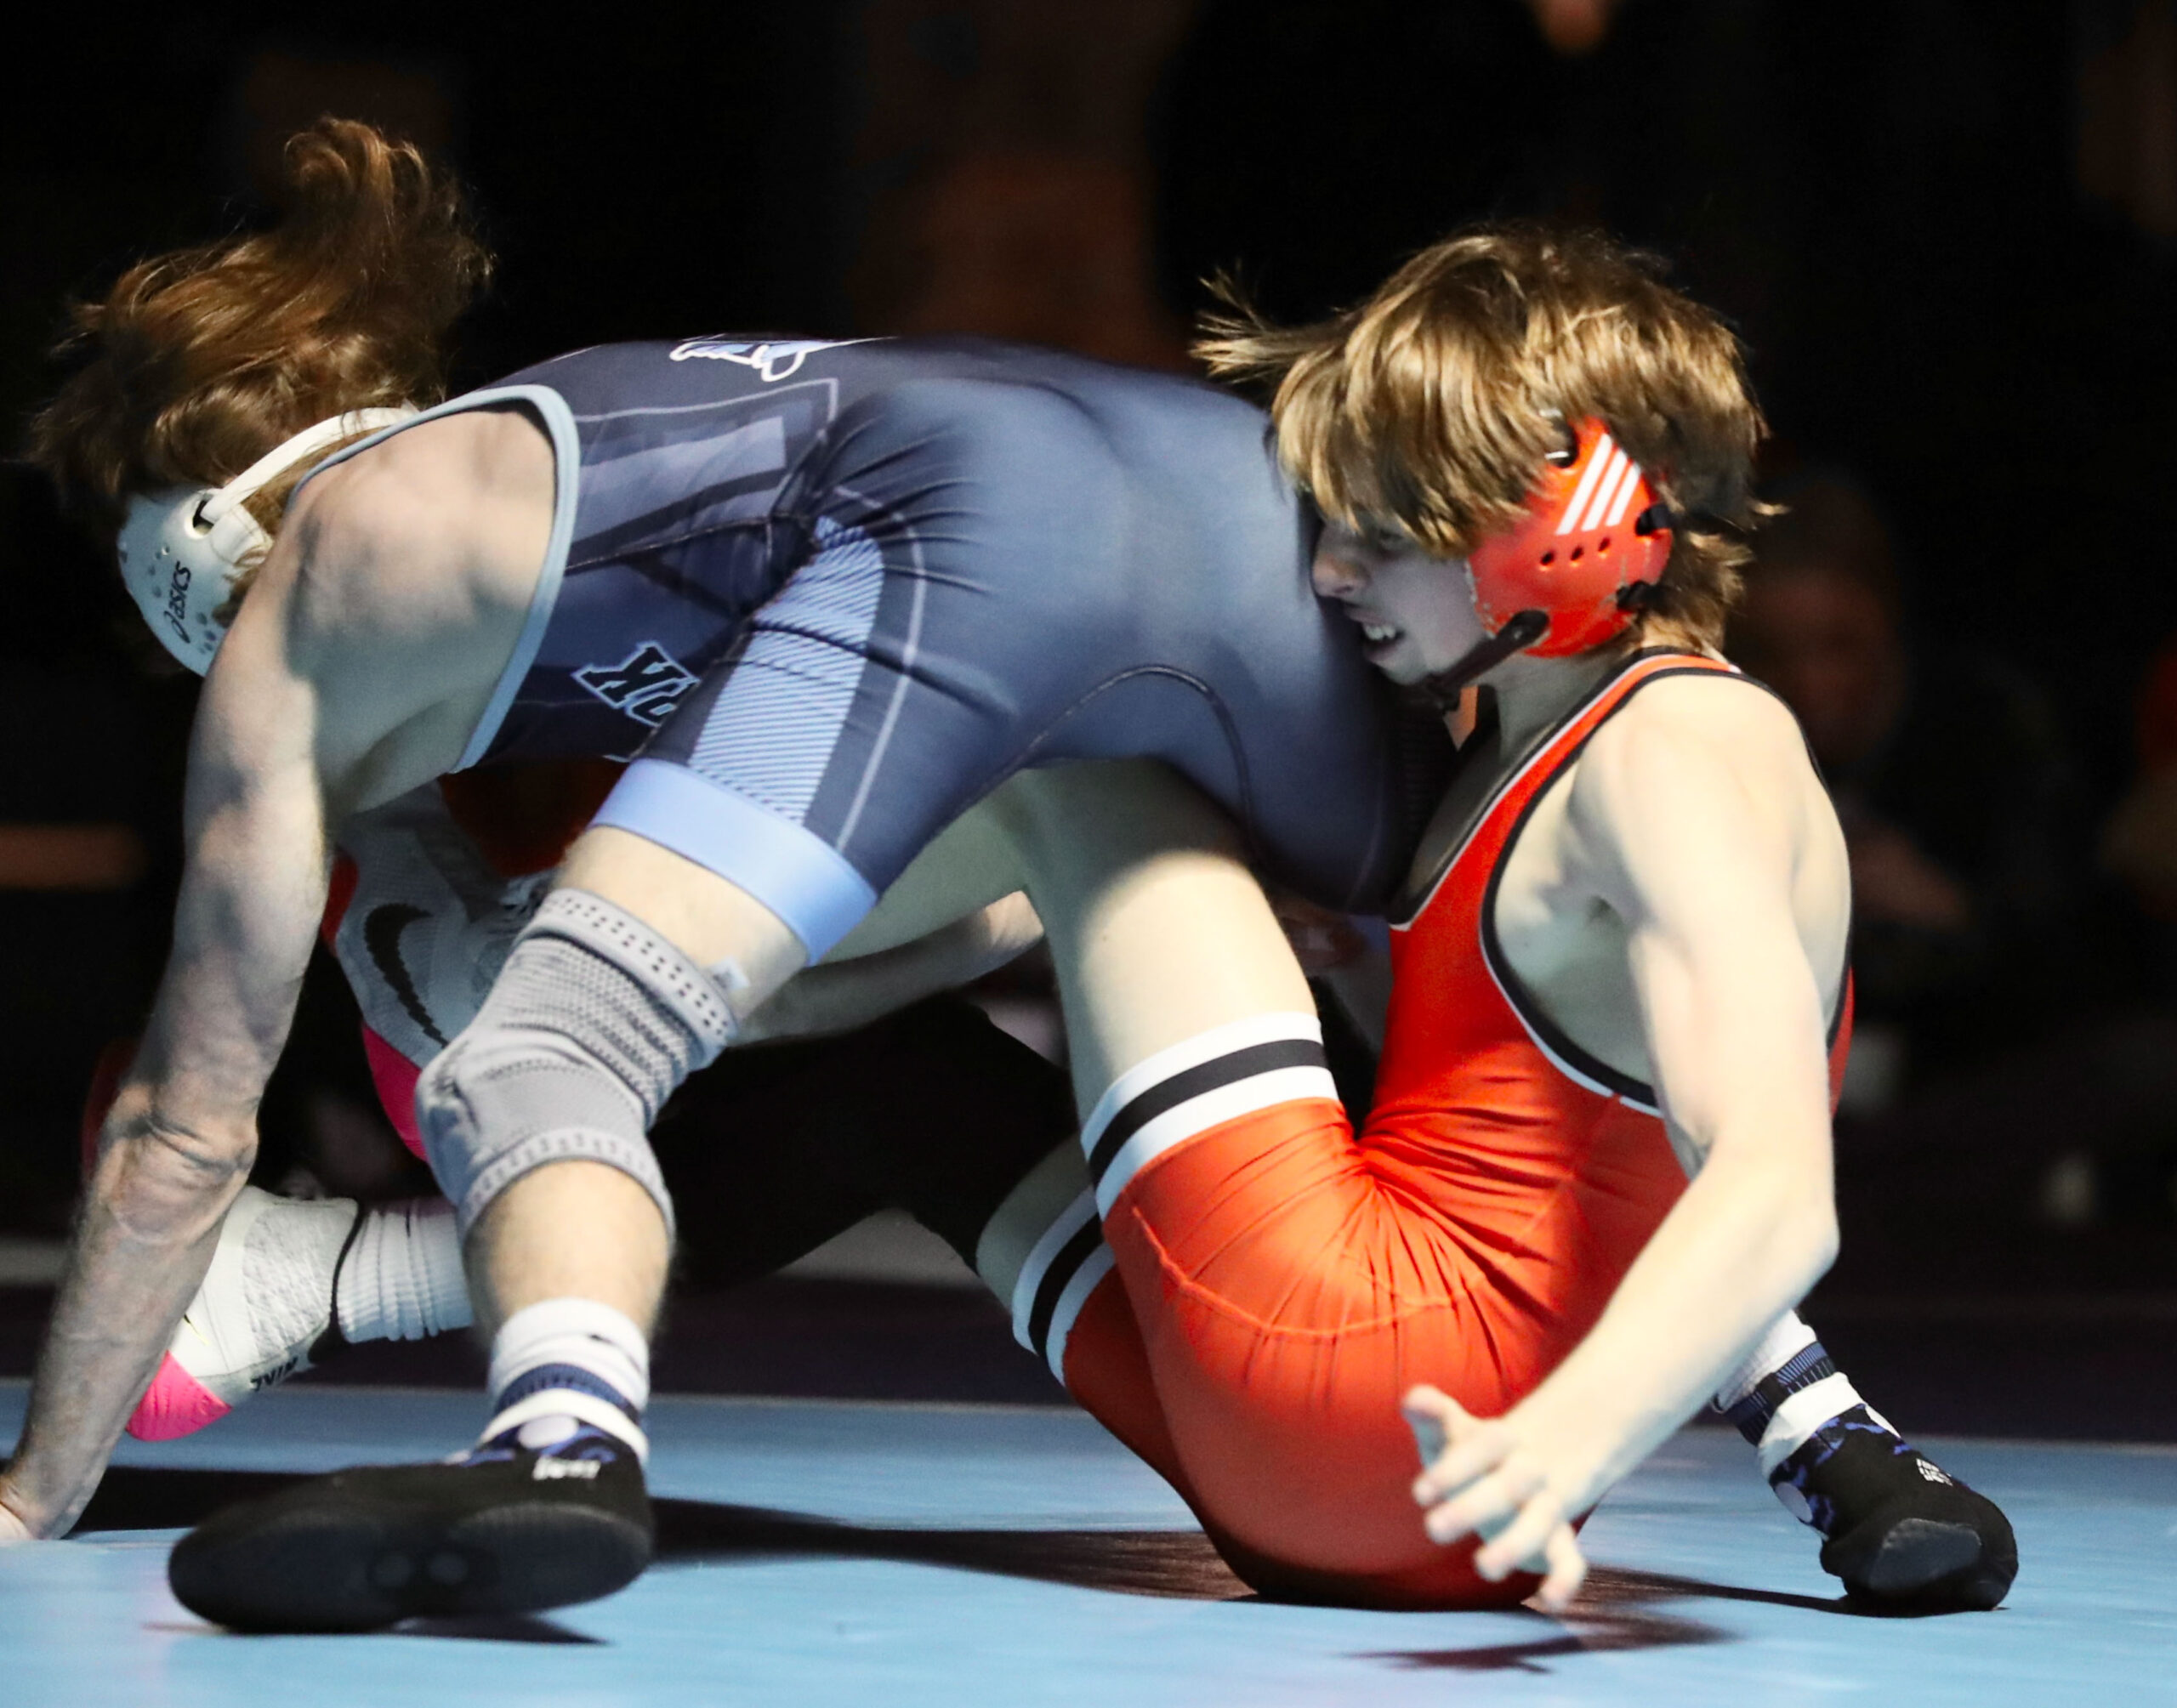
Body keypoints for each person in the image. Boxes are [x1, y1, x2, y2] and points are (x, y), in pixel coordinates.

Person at [48, 171, 2000, 1620]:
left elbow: (1771, 1184)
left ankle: (505, 1368)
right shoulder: (1504, 765)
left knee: (1084, 763)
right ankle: (1826, 1431)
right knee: (904, 1091)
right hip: (1368, 1492)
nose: (1324, 571)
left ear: (1560, 524)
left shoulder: (1679, 762)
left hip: (1391, 1408)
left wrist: (1555, 1452)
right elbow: (1618, 1143)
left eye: (1371, 528)